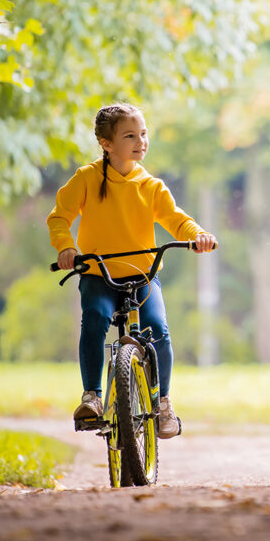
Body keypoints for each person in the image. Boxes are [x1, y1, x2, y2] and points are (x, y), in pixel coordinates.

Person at [47, 103, 216, 438]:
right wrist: (66, 246)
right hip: (99, 274)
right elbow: (59, 217)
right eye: (130, 136)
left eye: (143, 133)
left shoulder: (150, 185)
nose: (141, 141)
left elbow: (175, 219)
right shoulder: (87, 179)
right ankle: (92, 397)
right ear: (106, 143)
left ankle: (163, 402)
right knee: (94, 318)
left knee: (158, 329)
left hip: (143, 277)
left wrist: (197, 235)